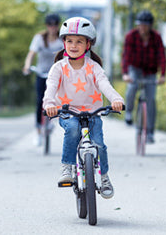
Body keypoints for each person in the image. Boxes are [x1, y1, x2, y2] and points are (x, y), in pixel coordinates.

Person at [43, 17, 125, 199]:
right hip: (67, 112)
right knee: (72, 129)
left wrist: (116, 99)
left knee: (99, 145)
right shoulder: (58, 68)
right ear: (63, 42)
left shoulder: (94, 67)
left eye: (79, 41)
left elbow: (105, 85)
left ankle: (104, 177)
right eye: (69, 40)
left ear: (88, 45)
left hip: (91, 113)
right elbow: (51, 87)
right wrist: (49, 104)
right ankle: (67, 167)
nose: (74, 45)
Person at [121, 10, 166, 144]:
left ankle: (150, 133)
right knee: (132, 87)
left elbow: (162, 56)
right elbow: (126, 56)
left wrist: (163, 75)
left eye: (145, 25)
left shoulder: (156, 37)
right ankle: (128, 112)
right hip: (135, 68)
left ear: (150, 26)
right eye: (140, 25)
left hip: (151, 71)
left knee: (151, 99)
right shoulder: (131, 36)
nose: (142, 28)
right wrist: (125, 74)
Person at [23, 14, 63, 146]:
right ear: (46, 26)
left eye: (55, 25)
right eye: (50, 25)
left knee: (57, 99)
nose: (52, 28)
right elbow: (31, 54)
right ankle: (39, 131)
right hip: (41, 73)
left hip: (56, 74)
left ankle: (51, 122)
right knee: (40, 101)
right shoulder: (39, 38)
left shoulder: (62, 40)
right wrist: (27, 66)